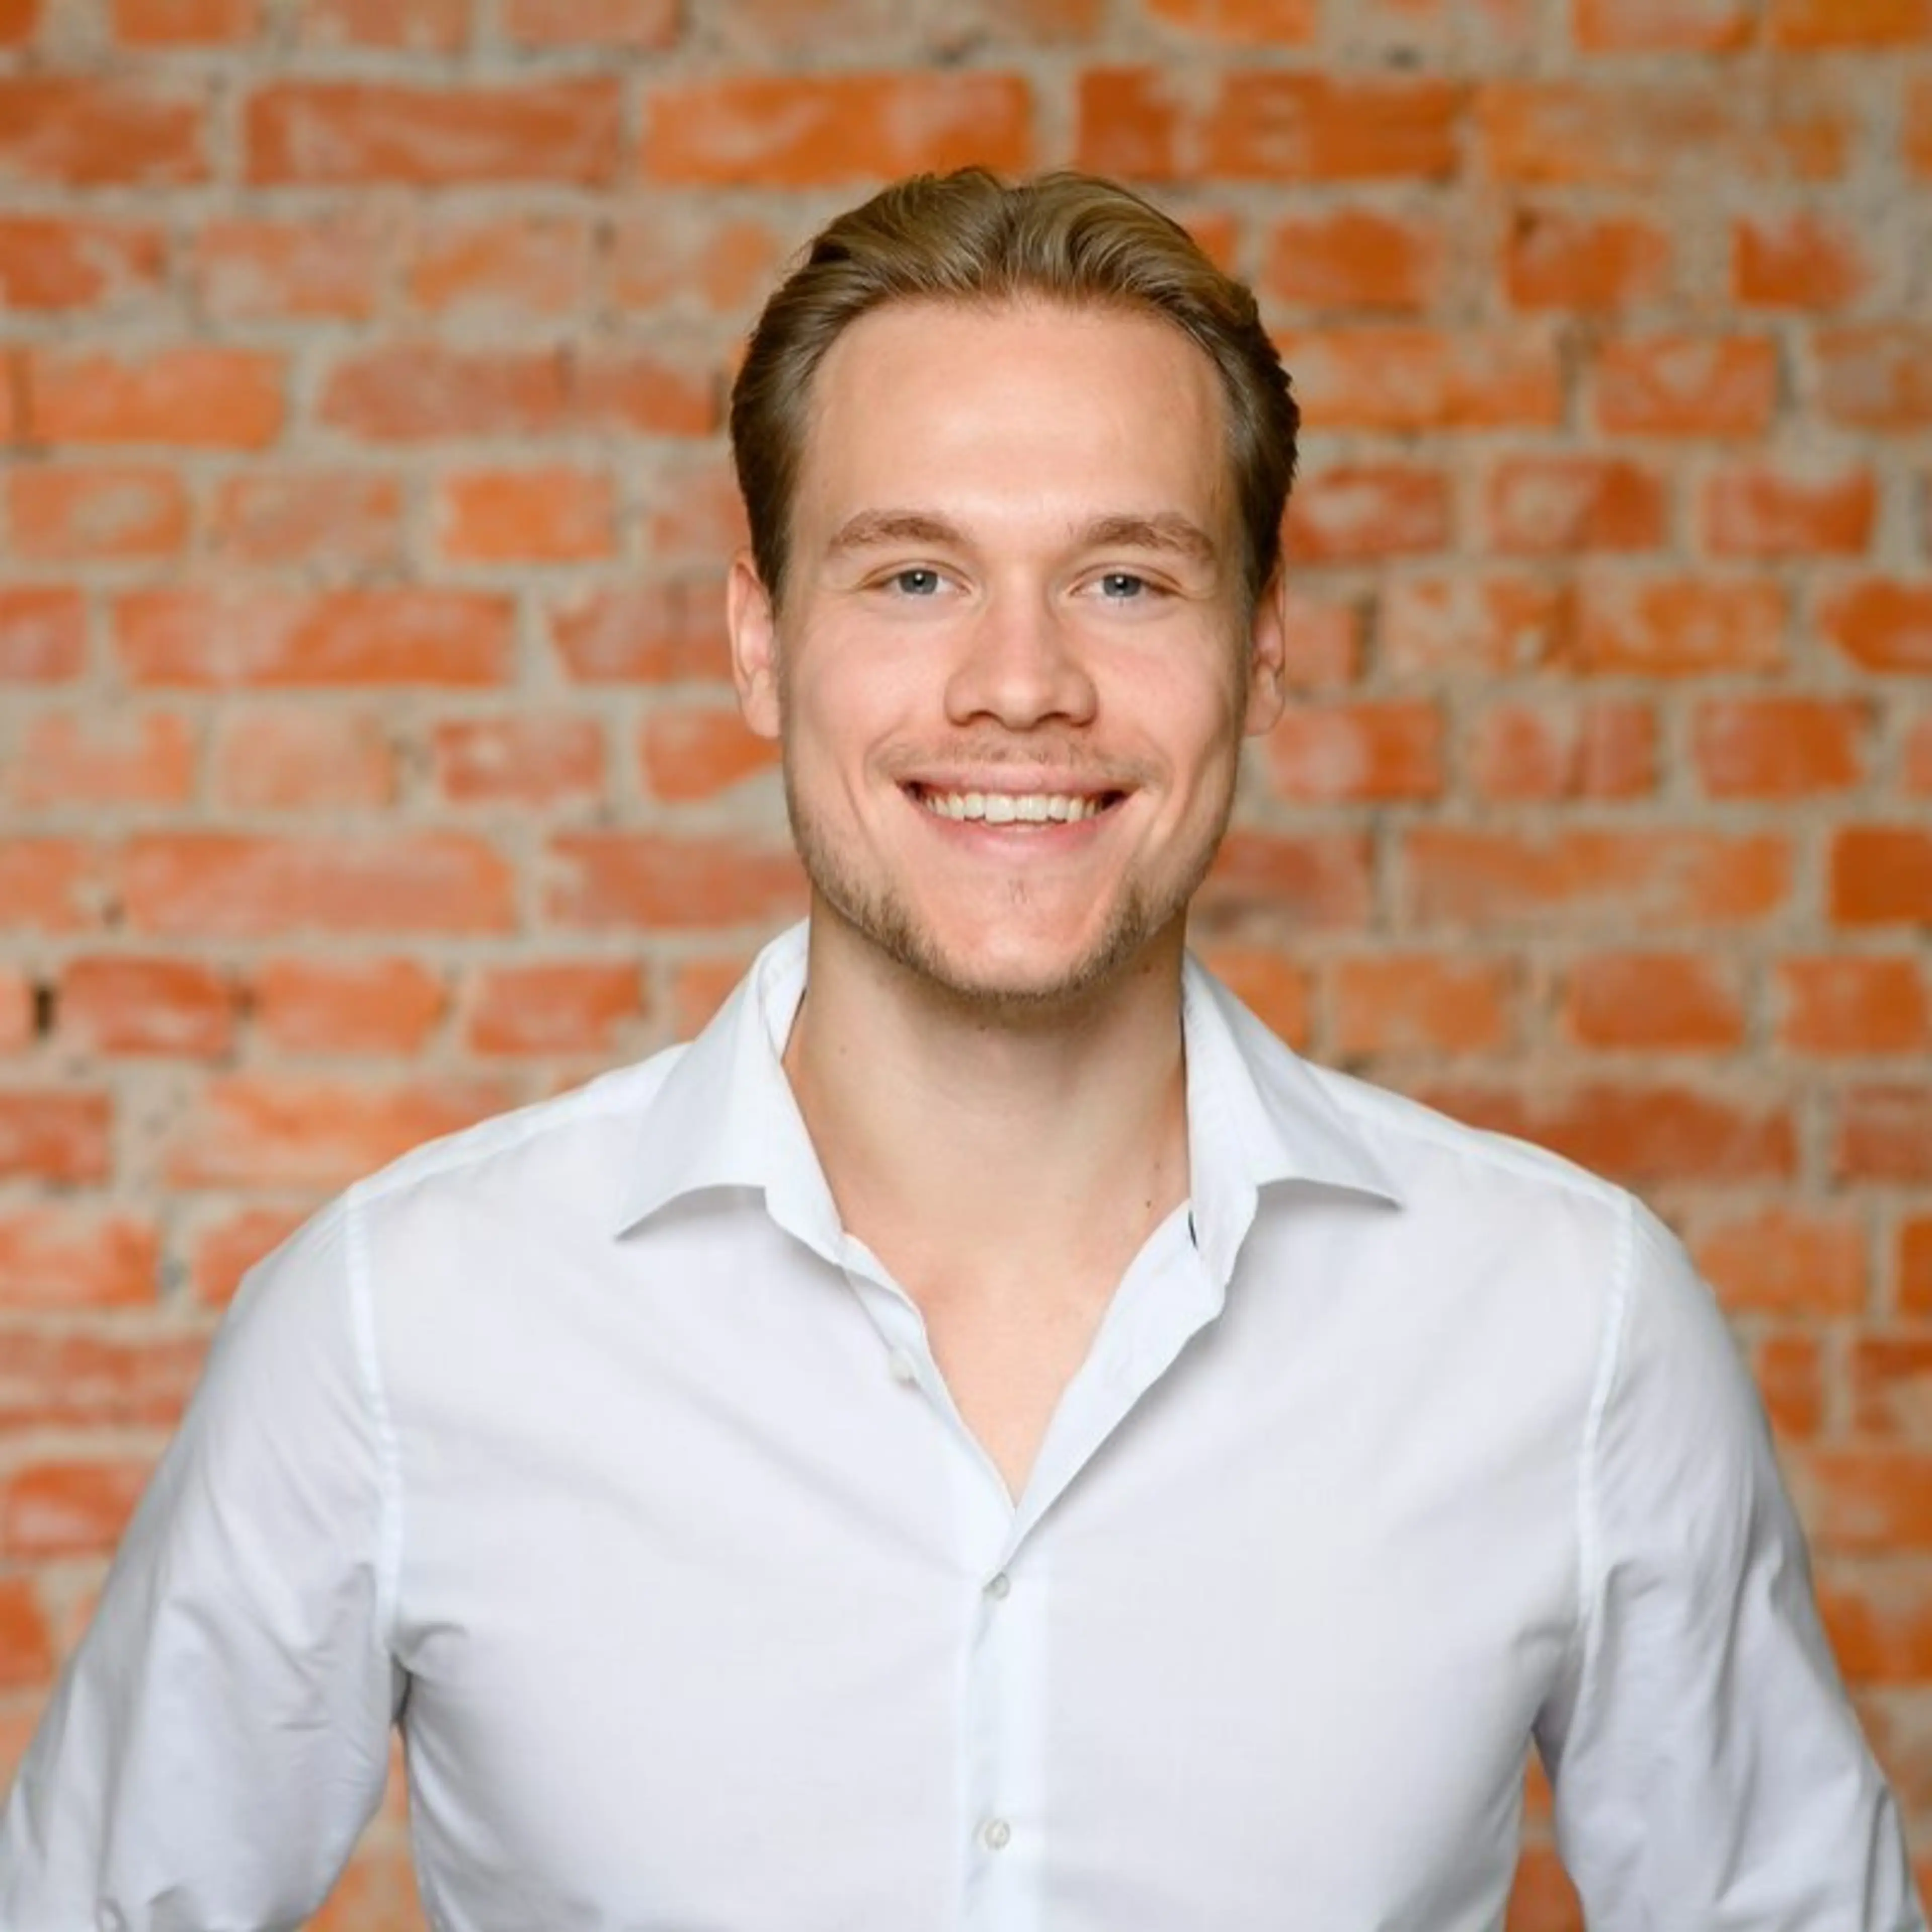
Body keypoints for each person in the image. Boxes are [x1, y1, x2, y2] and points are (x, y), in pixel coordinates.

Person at [0, 167, 1919, 1930]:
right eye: (914, 575)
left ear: (1262, 651)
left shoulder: (1568, 1330)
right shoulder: (396, 1328)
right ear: (760, 640)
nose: (1022, 683)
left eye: (1128, 578)